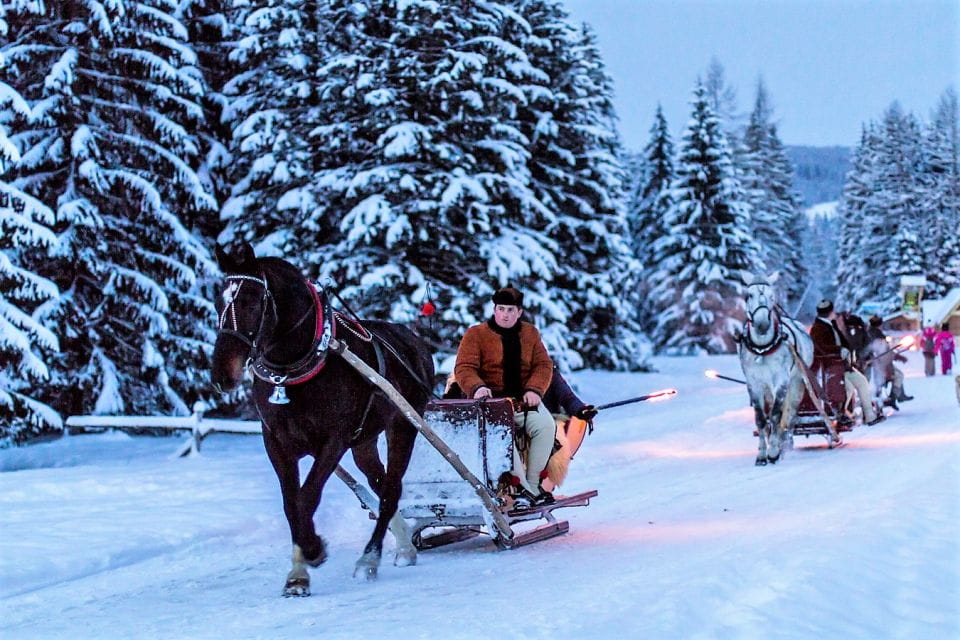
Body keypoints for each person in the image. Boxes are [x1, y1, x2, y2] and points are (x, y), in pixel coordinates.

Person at [454, 285, 557, 506]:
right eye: (501, 309)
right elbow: (464, 367)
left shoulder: (530, 333)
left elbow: (543, 364)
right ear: (494, 310)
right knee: (503, 435)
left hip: (522, 402)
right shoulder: (476, 334)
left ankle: (533, 485)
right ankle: (522, 490)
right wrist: (477, 388)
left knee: (546, 425)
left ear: (519, 312)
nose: (505, 315)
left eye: (510, 310)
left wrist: (534, 389)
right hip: (491, 404)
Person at [810, 300, 883, 425]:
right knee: (847, 388)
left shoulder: (831, 324)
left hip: (842, 366)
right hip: (830, 367)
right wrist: (839, 350)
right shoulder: (818, 328)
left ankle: (870, 416)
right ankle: (840, 413)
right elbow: (820, 347)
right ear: (830, 312)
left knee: (862, 382)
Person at [866, 316, 912, 408]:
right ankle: (893, 398)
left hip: (878, 364)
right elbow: (884, 354)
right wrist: (896, 357)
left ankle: (898, 396)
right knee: (898, 375)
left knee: (896, 375)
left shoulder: (871, 334)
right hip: (881, 365)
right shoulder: (878, 337)